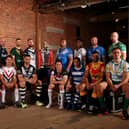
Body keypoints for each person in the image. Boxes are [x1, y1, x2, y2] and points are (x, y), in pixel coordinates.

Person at [106, 47, 129, 120]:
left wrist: (118, 85)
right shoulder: (109, 64)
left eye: (118, 52)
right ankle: (103, 108)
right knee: (100, 86)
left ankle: (124, 111)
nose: (116, 54)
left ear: (121, 54)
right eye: (114, 53)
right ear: (112, 54)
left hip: (121, 83)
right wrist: (112, 85)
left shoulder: (125, 64)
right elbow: (108, 77)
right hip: (112, 82)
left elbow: (126, 78)